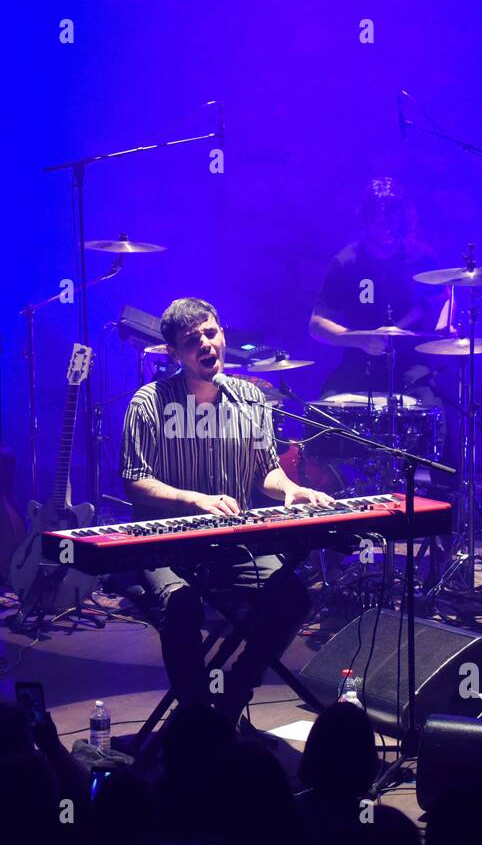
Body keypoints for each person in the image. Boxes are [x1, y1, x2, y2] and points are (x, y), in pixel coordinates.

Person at [120, 298, 331, 724]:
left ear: (223, 335)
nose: (206, 344)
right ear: (174, 354)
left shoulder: (250, 399)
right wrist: (193, 499)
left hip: (232, 544)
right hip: (167, 547)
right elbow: (134, 479)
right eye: (191, 340)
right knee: (182, 605)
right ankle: (197, 718)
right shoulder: (148, 402)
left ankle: (235, 693)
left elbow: (266, 472)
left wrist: (292, 490)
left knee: (292, 599)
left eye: (211, 332)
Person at [308, 176, 453, 403]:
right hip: (359, 365)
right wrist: (360, 341)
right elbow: (317, 325)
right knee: (325, 408)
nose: (386, 230)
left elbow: (446, 295)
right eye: (379, 221)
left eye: (393, 222)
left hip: (413, 365)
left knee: (431, 409)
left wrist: (447, 322)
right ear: (366, 220)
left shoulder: (421, 258)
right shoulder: (347, 262)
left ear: (404, 222)